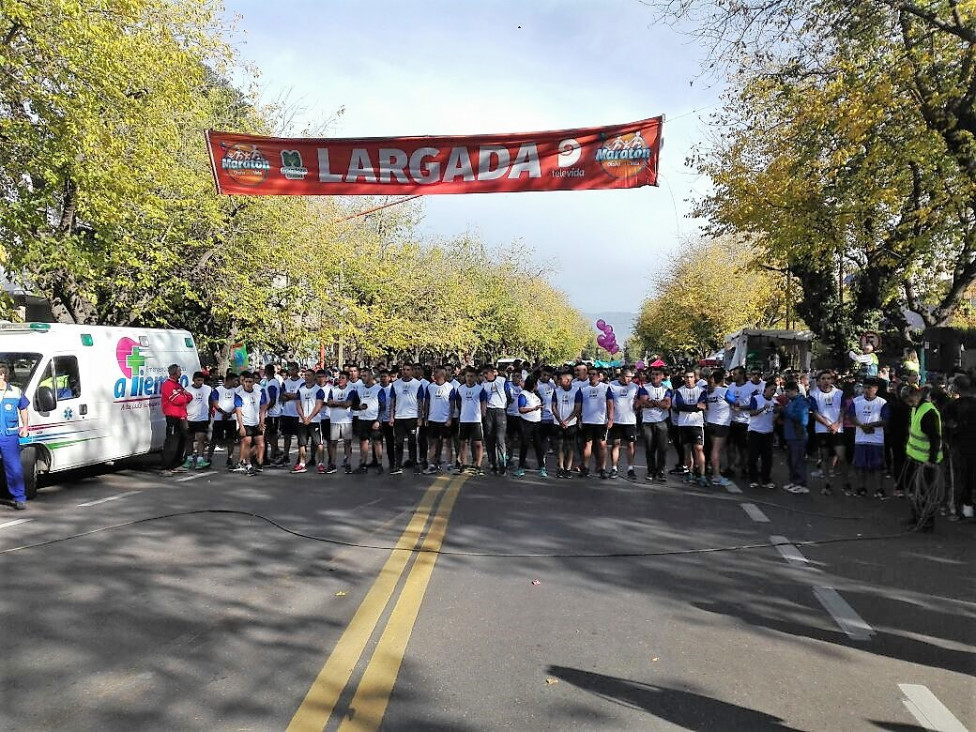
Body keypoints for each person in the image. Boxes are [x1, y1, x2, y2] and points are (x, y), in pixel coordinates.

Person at [902, 384, 943, 531]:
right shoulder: (915, 408)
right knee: (915, 491)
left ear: (917, 395)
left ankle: (927, 522)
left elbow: (935, 438)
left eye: (909, 398)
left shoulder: (928, 412)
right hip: (915, 458)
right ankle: (917, 517)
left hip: (926, 461)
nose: (909, 402)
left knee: (926, 493)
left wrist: (931, 460)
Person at [808, 370, 849, 496]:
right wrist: (828, 425)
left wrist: (837, 425)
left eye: (828, 378)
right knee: (825, 457)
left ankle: (846, 484)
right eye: (823, 378)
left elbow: (842, 410)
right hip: (822, 430)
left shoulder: (839, 393)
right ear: (819, 381)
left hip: (838, 429)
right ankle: (827, 483)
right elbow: (814, 413)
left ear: (832, 380)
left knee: (841, 456)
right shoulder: (813, 394)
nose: (826, 381)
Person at [848, 377, 890, 498]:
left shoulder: (882, 402)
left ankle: (879, 489)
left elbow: (885, 420)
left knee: (878, 466)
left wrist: (870, 425)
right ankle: (861, 487)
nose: (867, 390)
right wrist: (862, 426)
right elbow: (852, 417)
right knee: (860, 465)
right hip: (860, 439)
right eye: (865, 387)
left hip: (876, 439)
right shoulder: (856, 401)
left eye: (869, 388)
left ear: (876, 389)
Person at [943, 374, 975, 520]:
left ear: (956, 388)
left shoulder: (952, 406)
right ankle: (970, 507)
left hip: (959, 447)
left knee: (958, 478)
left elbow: (947, 425)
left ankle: (958, 509)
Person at [0, 363, 30, 510]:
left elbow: (23, 408)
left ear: (3, 375)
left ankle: (19, 497)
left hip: (9, 436)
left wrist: (25, 426)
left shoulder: (15, 392)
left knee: (14, 468)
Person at [673, 369, 708, 487]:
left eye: (691, 377)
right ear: (684, 378)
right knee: (687, 450)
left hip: (697, 424)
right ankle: (690, 472)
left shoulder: (701, 390)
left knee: (699, 449)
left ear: (695, 378)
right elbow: (680, 406)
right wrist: (695, 407)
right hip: (683, 424)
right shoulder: (679, 391)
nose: (688, 379)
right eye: (686, 377)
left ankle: (702, 475)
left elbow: (703, 405)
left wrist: (692, 407)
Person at [578, 367, 614, 479]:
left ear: (599, 376)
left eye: (594, 374)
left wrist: (610, 419)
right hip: (587, 421)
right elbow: (579, 406)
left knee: (602, 445)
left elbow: (610, 404)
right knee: (587, 445)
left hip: (601, 421)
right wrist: (579, 419)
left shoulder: (605, 388)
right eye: (590, 374)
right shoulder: (583, 388)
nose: (591, 376)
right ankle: (586, 468)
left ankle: (602, 469)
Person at [607, 368, 641, 480]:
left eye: (631, 377)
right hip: (616, 420)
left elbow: (639, 401)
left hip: (630, 420)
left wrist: (638, 404)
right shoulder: (612, 385)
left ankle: (630, 468)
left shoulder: (635, 387)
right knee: (616, 444)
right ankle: (614, 468)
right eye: (627, 377)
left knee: (630, 445)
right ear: (621, 375)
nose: (629, 379)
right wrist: (609, 418)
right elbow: (608, 402)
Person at [639, 367, 671, 483]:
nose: (655, 376)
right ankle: (651, 470)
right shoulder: (644, 387)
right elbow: (644, 403)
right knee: (649, 448)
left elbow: (667, 405)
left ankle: (661, 471)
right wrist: (659, 403)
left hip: (662, 422)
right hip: (647, 422)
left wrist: (653, 402)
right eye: (653, 374)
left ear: (662, 376)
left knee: (662, 448)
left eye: (657, 374)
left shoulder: (666, 388)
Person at [390, 363, 423, 475]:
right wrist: (391, 416)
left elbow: (420, 402)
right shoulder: (395, 384)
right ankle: (397, 465)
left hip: (412, 418)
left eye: (408, 369)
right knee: (398, 443)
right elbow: (392, 401)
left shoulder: (417, 384)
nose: (405, 371)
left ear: (412, 371)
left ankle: (414, 463)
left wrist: (419, 417)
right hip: (399, 417)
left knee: (412, 442)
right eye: (403, 369)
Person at [160, 364, 193, 474]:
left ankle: (176, 464)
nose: (180, 373)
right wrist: (184, 396)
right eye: (179, 371)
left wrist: (183, 396)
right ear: (174, 373)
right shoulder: (167, 385)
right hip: (173, 417)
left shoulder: (178, 385)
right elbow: (178, 400)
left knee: (182, 440)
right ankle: (166, 466)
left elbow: (189, 396)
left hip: (182, 416)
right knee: (171, 442)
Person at [422, 366, 456, 474]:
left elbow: (452, 405)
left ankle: (450, 465)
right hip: (433, 419)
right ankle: (432, 465)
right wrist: (426, 417)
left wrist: (450, 418)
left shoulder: (450, 387)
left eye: (436, 372)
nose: (434, 374)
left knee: (448, 442)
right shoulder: (430, 387)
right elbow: (426, 403)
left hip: (445, 420)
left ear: (442, 374)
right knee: (432, 443)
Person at [454, 367, 487, 473]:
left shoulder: (480, 389)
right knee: (463, 443)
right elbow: (458, 403)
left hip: (476, 420)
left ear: (476, 377)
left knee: (478, 443)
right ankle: (464, 464)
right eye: (468, 376)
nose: (469, 378)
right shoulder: (460, 389)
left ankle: (478, 465)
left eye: (472, 376)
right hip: (464, 420)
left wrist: (482, 415)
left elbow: (483, 403)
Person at [353, 369, 386, 474]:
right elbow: (354, 405)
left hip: (374, 420)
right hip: (362, 419)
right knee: (363, 442)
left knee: (377, 442)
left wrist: (378, 420)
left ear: (371, 377)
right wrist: (359, 407)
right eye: (361, 375)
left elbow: (383, 407)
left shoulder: (378, 389)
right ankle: (363, 465)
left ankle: (379, 464)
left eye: (365, 375)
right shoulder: (359, 389)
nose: (362, 377)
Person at [746, 381, 778, 489]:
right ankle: (753, 479)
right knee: (753, 457)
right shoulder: (757, 398)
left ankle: (766, 479)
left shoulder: (774, 402)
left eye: (774, 390)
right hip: (755, 431)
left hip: (768, 432)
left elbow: (774, 416)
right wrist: (762, 409)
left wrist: (777, 413)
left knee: (767, 458)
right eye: (771, 389)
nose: (772, 392)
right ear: (766, 389)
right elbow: (751, 412)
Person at [481, 364, 511, 475]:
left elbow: (509, 395)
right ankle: (492, 463)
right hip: (489, 411)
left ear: (493, 372)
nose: (485, 375)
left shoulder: (502, 380)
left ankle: (502, 464)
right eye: (484, 373)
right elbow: (483, 400)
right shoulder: (483, 385)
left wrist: (505, 406)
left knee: (500, 439)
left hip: (500, 411)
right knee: (489, 438)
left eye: (487, 373)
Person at [704, 368, 733, 487]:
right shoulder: (724, 391)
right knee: (716, 450)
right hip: (721, 424)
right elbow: (735, 402)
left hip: (710, 423)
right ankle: (716, 475)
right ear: (721, 380)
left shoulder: (709, 392)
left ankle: (714, 470)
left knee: (714, 450)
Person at [326, 371, 359, 474]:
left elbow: (347, 404)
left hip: (346, 420)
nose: (340, 380)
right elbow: (329, 403)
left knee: (347, 442)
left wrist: (336, 403)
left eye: (343, 378)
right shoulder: (333, 389)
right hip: (334, 419)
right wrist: (340, 403)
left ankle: (348, 463)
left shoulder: (351, 390)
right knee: (333, 443)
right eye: (339, 378)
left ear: (347, 380)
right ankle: (332, 464)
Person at [235, 371, 267, 475]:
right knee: (247, 443)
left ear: (254, 383)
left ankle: (260, 463)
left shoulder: (259, 393)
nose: (248, 383)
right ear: (243, 382)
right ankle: (248, 464)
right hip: (246, 423)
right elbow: (238, 411)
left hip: (257, 422)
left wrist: (262, 422)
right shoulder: (239, 394)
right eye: (246, 381)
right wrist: (241, 426)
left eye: (250, 381)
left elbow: (262, 409)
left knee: (261, 444)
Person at [293, 369, 325, 474]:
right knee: (302, 443)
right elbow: (298, 405)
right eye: (305, 375)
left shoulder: (318, 390)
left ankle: (320, 463)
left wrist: (310, 418)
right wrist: (303, 417)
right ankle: (302, 463)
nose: (306, 377)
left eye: (309, 375)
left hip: (314, 421)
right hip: (302, 421)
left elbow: (318, 405)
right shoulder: (300, 390)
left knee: (318, 443)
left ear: (314, 376)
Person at [782, 380, 810, 493]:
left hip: (798, 435)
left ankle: (801, 483)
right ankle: (793, 481)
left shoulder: (801, 402)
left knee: (797, 460)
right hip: (790, 435)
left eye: (788, 391)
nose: (786, 394)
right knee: (791, 460)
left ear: (795, 391)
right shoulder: (791, 402)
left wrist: (785, 411)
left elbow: (801, 418)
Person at [208, 372, 241, 469]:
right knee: (214, 439)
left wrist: (230, 413)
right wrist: (223, 412)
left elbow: (238, 405)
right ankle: (209, 458)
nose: (236, 382)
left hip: (231, 418)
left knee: (231, 440)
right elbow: (215, 403)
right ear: (229, 380)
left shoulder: (236, 391)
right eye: (235, 380)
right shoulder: (218, 390)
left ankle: (229, 458)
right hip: (219, 418)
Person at [515, 374, 546, 477]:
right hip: (526, 423)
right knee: (524, 445)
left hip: (537, 422)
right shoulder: (523, 394)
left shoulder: (536, 394)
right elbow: (521, 409)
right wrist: (533, 409)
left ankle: (542, 467)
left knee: (539, 446)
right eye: (536, 383)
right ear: (533, 384)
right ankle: (520, 467)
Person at [552, 371, 581, 479]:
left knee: (570, 447)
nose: (560, 381)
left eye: (562, 380)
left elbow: (577, 408)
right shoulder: (556, 391)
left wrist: (568, 420)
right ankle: (560, 467)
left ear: (568, 381)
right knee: (559, 446)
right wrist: (560, 420)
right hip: (558, 423)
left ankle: (568, 468)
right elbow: (553, 406)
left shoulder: (577, 391)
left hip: (571, 423)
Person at [725, 367, 752, 477]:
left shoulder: (749, 387)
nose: (733, 376)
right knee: (730, 446)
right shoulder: (730, 387)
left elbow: (753, 405)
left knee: (743, 448)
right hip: (731, 421)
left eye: (735, 374)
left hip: (744, 422)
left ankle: (744, 468)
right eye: (733, 374)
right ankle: (730, 467)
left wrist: (740, 408)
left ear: (742, 375)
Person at [183, 371, 212, 470]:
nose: (200, 382)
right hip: (190, 418)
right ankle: (189, 459)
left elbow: (210, 401)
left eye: (201, 380)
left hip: (202, 418)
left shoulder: (207, 389)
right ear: (193, 380)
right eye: (198, 380)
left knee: (201, 439)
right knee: (189, 439)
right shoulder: (187, 390)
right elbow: (183, 405)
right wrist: (185, 419)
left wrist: (209, 415)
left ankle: (200, 459)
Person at [278, 363, 303, 467]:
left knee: (300, 438)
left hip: (298, 413)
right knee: (287, 436)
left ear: (297, 370)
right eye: (290, 370)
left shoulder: (302, 382)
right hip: (286, 412)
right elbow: (282, 396)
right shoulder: (285, 382)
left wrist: (289, 395)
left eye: (293, 369)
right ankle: (285, 456)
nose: (291, 372)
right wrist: (292, 396)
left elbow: (300, 396)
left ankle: (300, 458)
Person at [505, 371, 524, 470]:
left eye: (518, 376)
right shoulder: (508, 385)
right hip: (510, 415)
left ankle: (522, 460)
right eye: (514, 376)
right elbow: (506, 397)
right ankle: (509, 459)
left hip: (521, 416)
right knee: (510, 439)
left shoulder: (524, 386)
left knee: (522, 440)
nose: (516, 378)